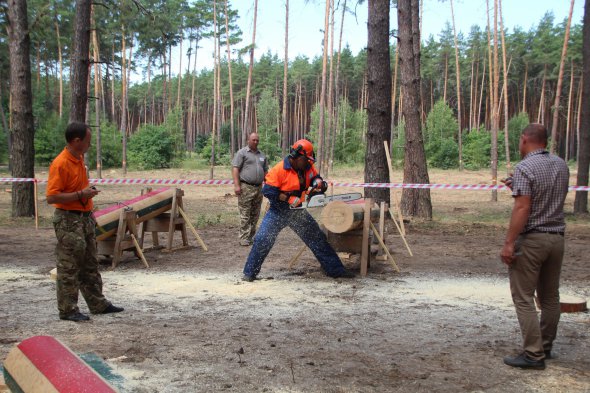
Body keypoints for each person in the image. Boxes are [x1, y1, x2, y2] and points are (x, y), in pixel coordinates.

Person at [500, 123, 569, 370]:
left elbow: (523, 207)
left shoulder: (525, 166)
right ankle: (546, 346)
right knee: (550, 296)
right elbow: (547, 194)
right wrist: (516, 187)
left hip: (533, 240)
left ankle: (532, 354)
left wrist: (509, 243)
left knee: (523, 297)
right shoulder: (561, 164)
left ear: (525, 139)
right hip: (557, 237)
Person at [242, 139, 355, 282]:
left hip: (298, 211)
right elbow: (268, 190)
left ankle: (335, 270)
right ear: (298, 157)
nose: (309, 162)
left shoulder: (307, 168)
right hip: (278, 211)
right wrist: (288, 199)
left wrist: (318, 183)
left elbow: (316, 178)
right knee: (263, 239)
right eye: (306, 159)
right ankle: (249, 273)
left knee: (317, 238)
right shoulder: (280, 169)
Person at [46, 122, 124, 322]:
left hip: (84, 217)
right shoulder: (60, 163)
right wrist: (82, 194)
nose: (90, 144)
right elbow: (52, 197)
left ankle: (97, 303)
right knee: (69, 265)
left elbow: (75, 189)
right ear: (76, 140)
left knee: (90, 262)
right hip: (68, 220)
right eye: (88, 141)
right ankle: (68, 309)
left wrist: (87, 196)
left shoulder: (78, 158)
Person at [231, 132, 268, 246]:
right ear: (248, 140)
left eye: (257, 140)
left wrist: (268, 185)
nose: (255, 142)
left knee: (255, 214)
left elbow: (266, 171)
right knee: (245, 213)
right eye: (253, 140)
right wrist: (237, 186)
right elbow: (235, 169)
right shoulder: (242, 153)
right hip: (245, 187)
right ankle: (243, 238)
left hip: (259, 188)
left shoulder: (262, 155)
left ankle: (251, 237)